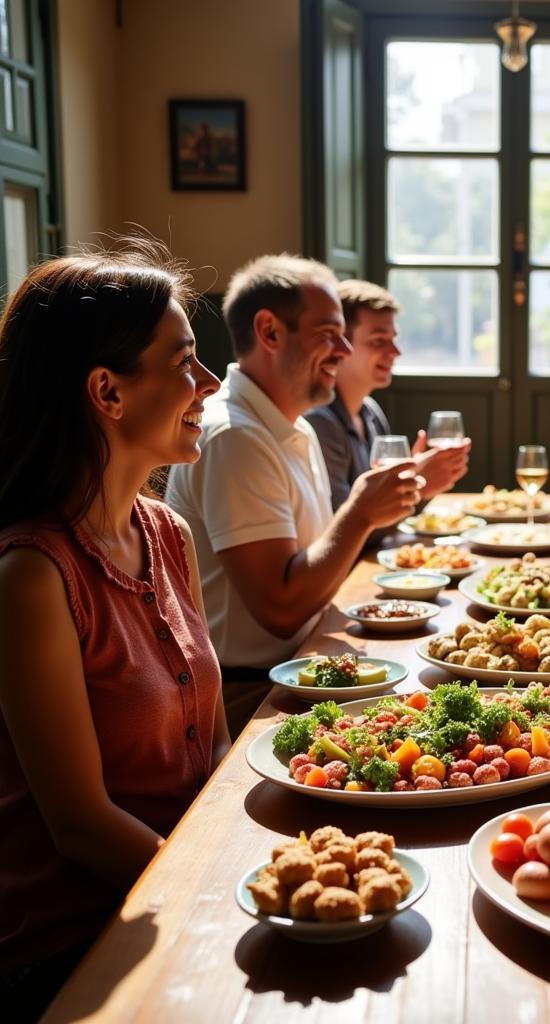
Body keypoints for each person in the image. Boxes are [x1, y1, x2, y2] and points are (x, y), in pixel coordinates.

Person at [0, 241, 231, 1019]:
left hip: (187, 893)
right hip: (77, 943)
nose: (210, 383)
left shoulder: (166, 532)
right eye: (187, 363)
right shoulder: (32, 576)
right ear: (108, 391)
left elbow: (217, 752)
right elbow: (82, 828)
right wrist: (226, 897)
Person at [165, 255, 426, 735]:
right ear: (269, 332)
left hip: (309, 663)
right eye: (329, 333)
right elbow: (280, 612)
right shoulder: (234, 437)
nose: (344, 349)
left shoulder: (294, 426)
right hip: (253, 696)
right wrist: (361, 513)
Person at [304, 279, 470, 512]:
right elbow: (338, 526)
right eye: (379, 341)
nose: (395, 352)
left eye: (393, 339)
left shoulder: (370, 411)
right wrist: (418, 487)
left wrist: (414, 481)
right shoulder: (320, 423)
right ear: (340, 345)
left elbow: (388, 521)